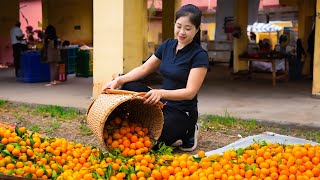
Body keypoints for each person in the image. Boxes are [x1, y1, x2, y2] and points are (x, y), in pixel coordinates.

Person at [102, 4, 209, 151]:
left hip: (181, 111)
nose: (182, 32)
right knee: (128, 85)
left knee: (152, 143)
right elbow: (144, 68)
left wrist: (161, 92)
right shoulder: (167, 46)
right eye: (178, 26)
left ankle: (188, 129)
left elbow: (190, 92)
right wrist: (118, 80)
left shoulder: (199, 55)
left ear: (197, 30)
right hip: (162, 103)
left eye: (188, 28)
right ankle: (142, 119)